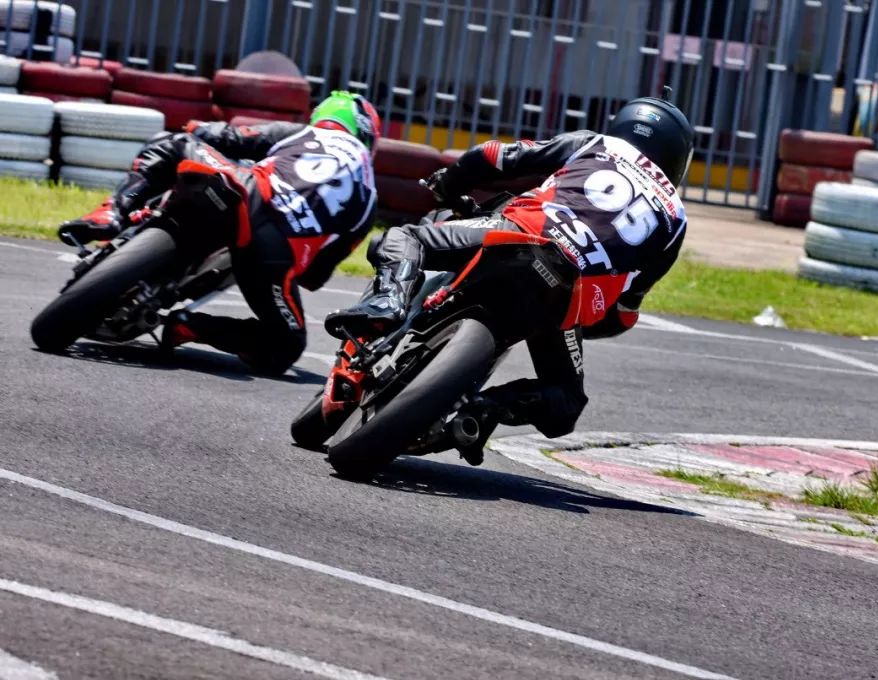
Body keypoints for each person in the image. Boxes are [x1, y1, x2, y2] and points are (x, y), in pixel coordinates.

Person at [325, 91, 693, 457]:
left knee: (404, 238)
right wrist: (579, 325)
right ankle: (483, 410)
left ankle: (389, 300)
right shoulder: (676, 218)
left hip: (518, 236)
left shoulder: (596, 144)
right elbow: (624, 314)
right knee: (565, 404)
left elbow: (496, 156)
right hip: (568, 295)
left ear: (622, 125)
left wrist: (449, 183)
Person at [59, 90, 381, 375]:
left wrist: (195, 127)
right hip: (275, 253)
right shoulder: (369, 195)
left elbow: (225, 136)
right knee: (286, 344)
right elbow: (313, 276)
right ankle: (192, 327)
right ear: (368, 137)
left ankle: (114, 211)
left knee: (173, 142)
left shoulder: (302, 133)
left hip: (247, 190)